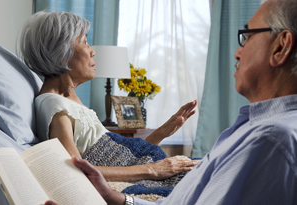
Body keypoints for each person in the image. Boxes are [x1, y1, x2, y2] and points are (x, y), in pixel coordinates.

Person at [46, 0, 297, 204]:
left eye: (248, 36)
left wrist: (155, 163)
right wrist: (125, 193)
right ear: (60, 52)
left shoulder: (271, 141)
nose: (237, 51)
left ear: (281, 47)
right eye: (85, 42)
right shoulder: (259, 132)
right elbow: (78, 165)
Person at [18, 10, 199, 194]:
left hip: (144, 174)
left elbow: (123, 159)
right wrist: (152, 170)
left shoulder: (67, 100)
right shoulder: (53, 105)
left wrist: (162, 132)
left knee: (206, 171)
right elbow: (75, 170)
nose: (92, 51)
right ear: (61, 53)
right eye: (84, 42)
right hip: (133, 186)